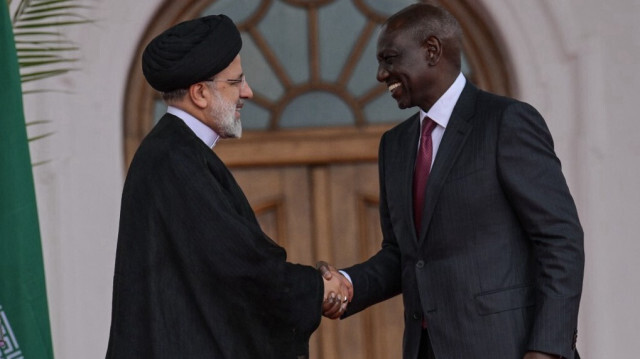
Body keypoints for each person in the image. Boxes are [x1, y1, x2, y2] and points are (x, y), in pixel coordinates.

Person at [320, 4, 584, 359]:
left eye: (390, 59)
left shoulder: (506, 122)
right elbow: (403, 255)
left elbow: (560, 240)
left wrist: (547, 349)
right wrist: (347, 285)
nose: (381, 75)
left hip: (507, 348)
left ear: (431, 50)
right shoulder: (394, 146)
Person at [105, 14, 349, 359]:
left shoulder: (174, 152)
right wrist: (318, 289)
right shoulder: (174, 160)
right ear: (201, 93)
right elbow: (238, 267)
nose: (247, 92)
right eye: (236, 82)